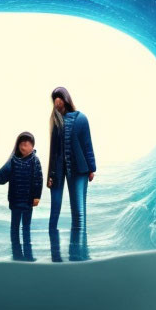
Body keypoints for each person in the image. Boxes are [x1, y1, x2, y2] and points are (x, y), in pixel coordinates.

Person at [46, 86, 96, 235]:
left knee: (79, 213)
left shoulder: (81, 118)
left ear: (66, 99)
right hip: (59, 171)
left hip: (80, 169)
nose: (57, 101)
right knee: (56, 208)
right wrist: (50, 175)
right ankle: (56, 249)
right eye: (55, 98)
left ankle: (80, 253)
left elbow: (87, 145)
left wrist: (92, 168)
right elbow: (53, 152)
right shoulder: (55, 122)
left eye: (60, 97)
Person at [0, 131, 43, 261]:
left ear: (32, 146)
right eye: (21, 143)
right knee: (14, 228)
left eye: (27, 144)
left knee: (26, 228)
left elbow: (38, 179)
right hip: (15, 201)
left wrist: (37, 197)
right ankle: (16, 255)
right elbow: (1, 177)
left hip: (29, 201)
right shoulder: (13, 161)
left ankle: (28, 255)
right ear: (17, 146)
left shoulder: (35, 160)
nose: (24, 146)